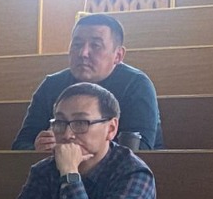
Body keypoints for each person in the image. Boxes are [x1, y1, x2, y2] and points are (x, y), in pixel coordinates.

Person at [2, 83, 162, 199]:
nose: (67, 134)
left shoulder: (134, 173)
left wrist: (69, 174)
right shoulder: (44, 170)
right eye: (60, 123)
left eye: (80, 123)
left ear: (111, 129)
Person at [11, 14, 163, 151]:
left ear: (118, 55)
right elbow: (21, 145)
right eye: (77, 44)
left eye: (95, 46)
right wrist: (36, 148)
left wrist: (76, 149)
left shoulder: (136, 85)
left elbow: (140, 150)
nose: (83, 53)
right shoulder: (52, 85)